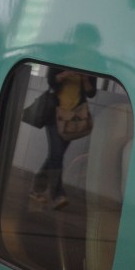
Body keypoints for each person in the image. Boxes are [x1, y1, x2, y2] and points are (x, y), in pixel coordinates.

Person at [30, 67, 96, 210]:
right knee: (56, 155)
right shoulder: (62, 59)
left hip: (74, 117)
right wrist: (64, 75)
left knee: (55, 156)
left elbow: (91, 93)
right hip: (54, 113)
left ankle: (36, 189)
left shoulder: (90, 64)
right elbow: (51, 81)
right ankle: (58, 195)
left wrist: (85, 78)